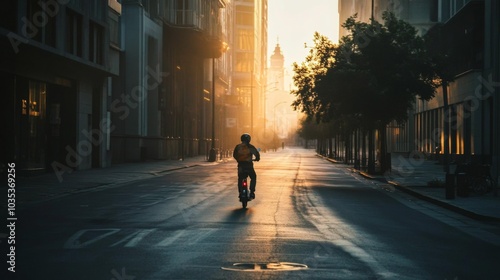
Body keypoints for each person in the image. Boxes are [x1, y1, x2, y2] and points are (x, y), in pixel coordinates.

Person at [233, 133, 260, 199]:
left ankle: (240, 192)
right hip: (249, 166)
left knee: (240, 179)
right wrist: (257, 158)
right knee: (253, 177)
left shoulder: (238, 147)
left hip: (241, 166)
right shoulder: (250, 147)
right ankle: (252, 192)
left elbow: (234, 155)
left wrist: (238, 160)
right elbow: (256, 154)